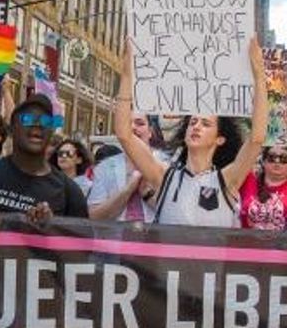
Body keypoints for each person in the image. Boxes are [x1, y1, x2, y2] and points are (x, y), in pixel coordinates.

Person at [113, 38, 268, 228]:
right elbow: (124, 134)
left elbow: (257, 138)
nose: (196, 126)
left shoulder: (226, 180)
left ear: (219, 139)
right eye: (193, 122)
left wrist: (260, 77)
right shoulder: (164, 176)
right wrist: (128, 75)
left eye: (206, 124)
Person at [88, 112, 170, 222]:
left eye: (139, 123)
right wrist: (128, 190)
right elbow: (94, 216)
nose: (132, 127)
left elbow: (179, 215)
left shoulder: (169, 166)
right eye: (127, 124)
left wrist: (147, 195)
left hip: (156, 238)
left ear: (150, 131)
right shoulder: (104, 168)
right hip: (115, 238)